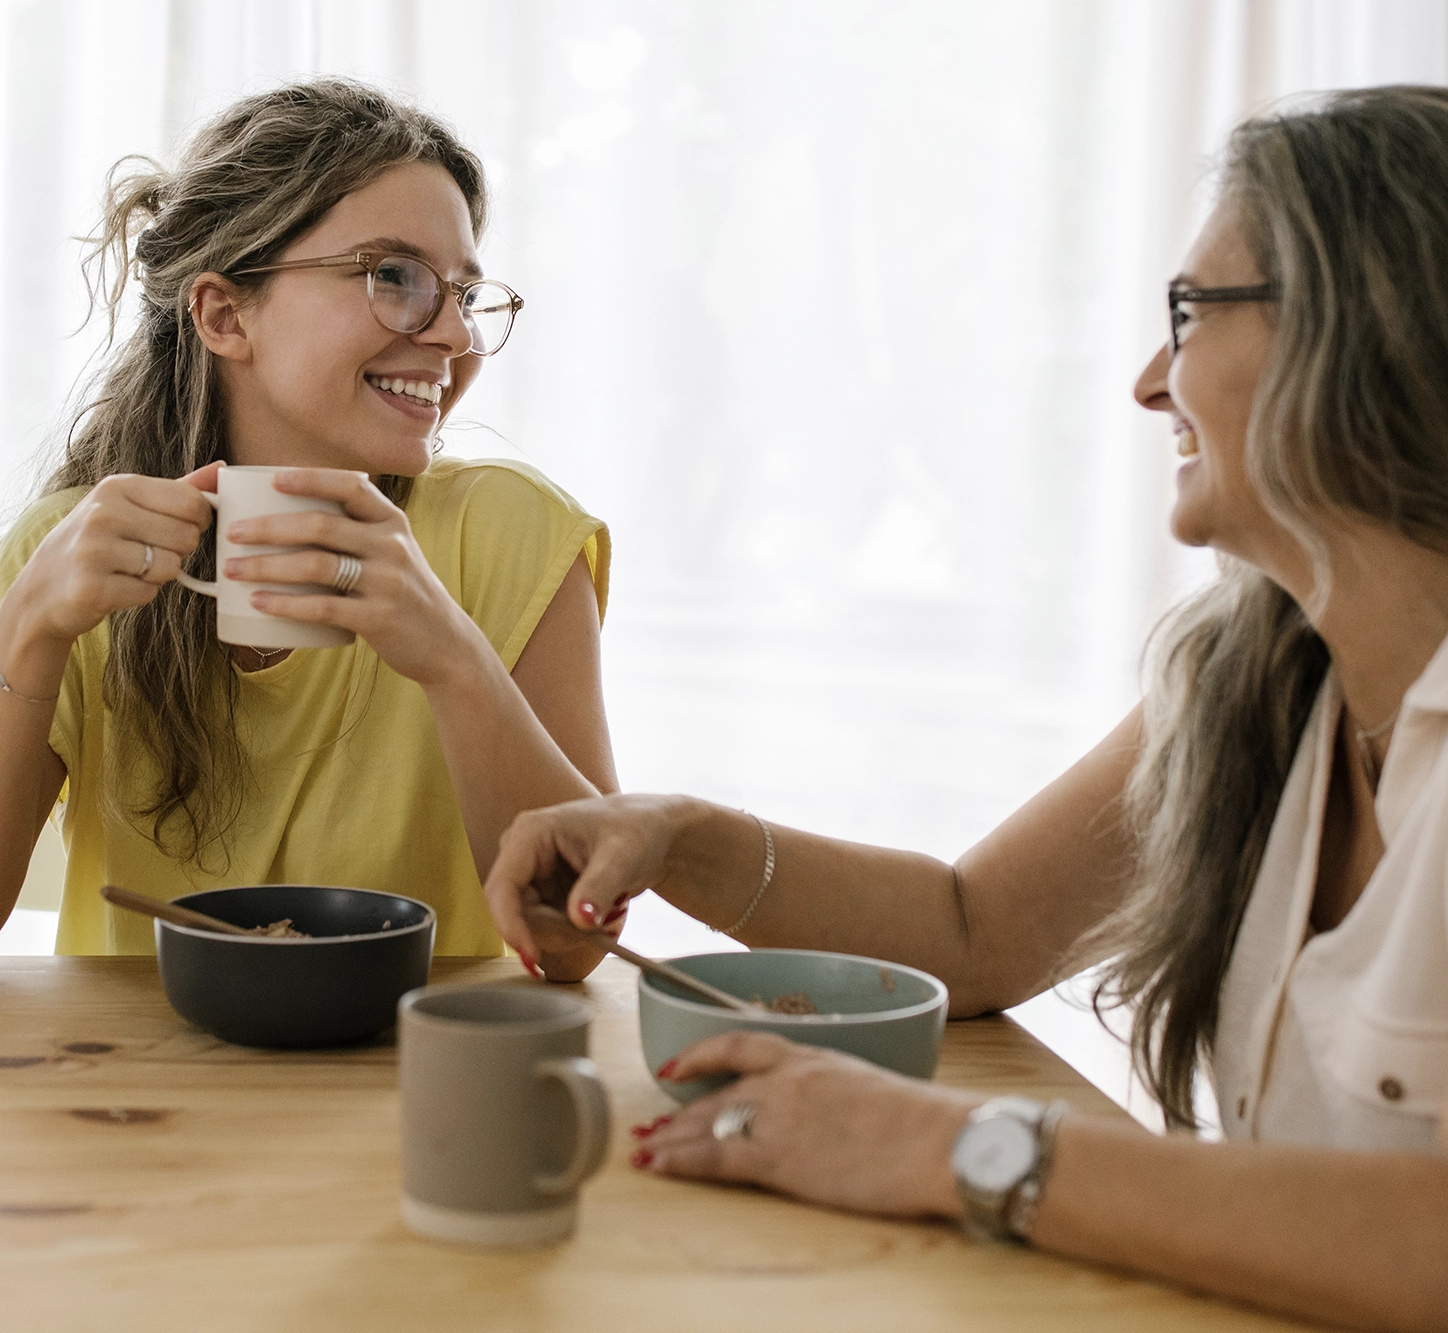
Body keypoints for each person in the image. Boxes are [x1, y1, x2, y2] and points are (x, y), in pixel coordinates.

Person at [486, 87, 1448, 1330]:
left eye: (1187, 313)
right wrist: (673, 830)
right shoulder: (1255, 677)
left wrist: (958, 1147)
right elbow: (974, 930)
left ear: (1368, 322)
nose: (1151, 382)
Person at [0, 79, 619, 981]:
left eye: (465, 293)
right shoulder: (74, 553)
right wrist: (31, 620)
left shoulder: (511, 534)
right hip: (136, 1101)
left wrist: (451, 657)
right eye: (396, 277)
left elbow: (577, 939)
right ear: (225, 314)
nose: (453, 335)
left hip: (425, 1090)